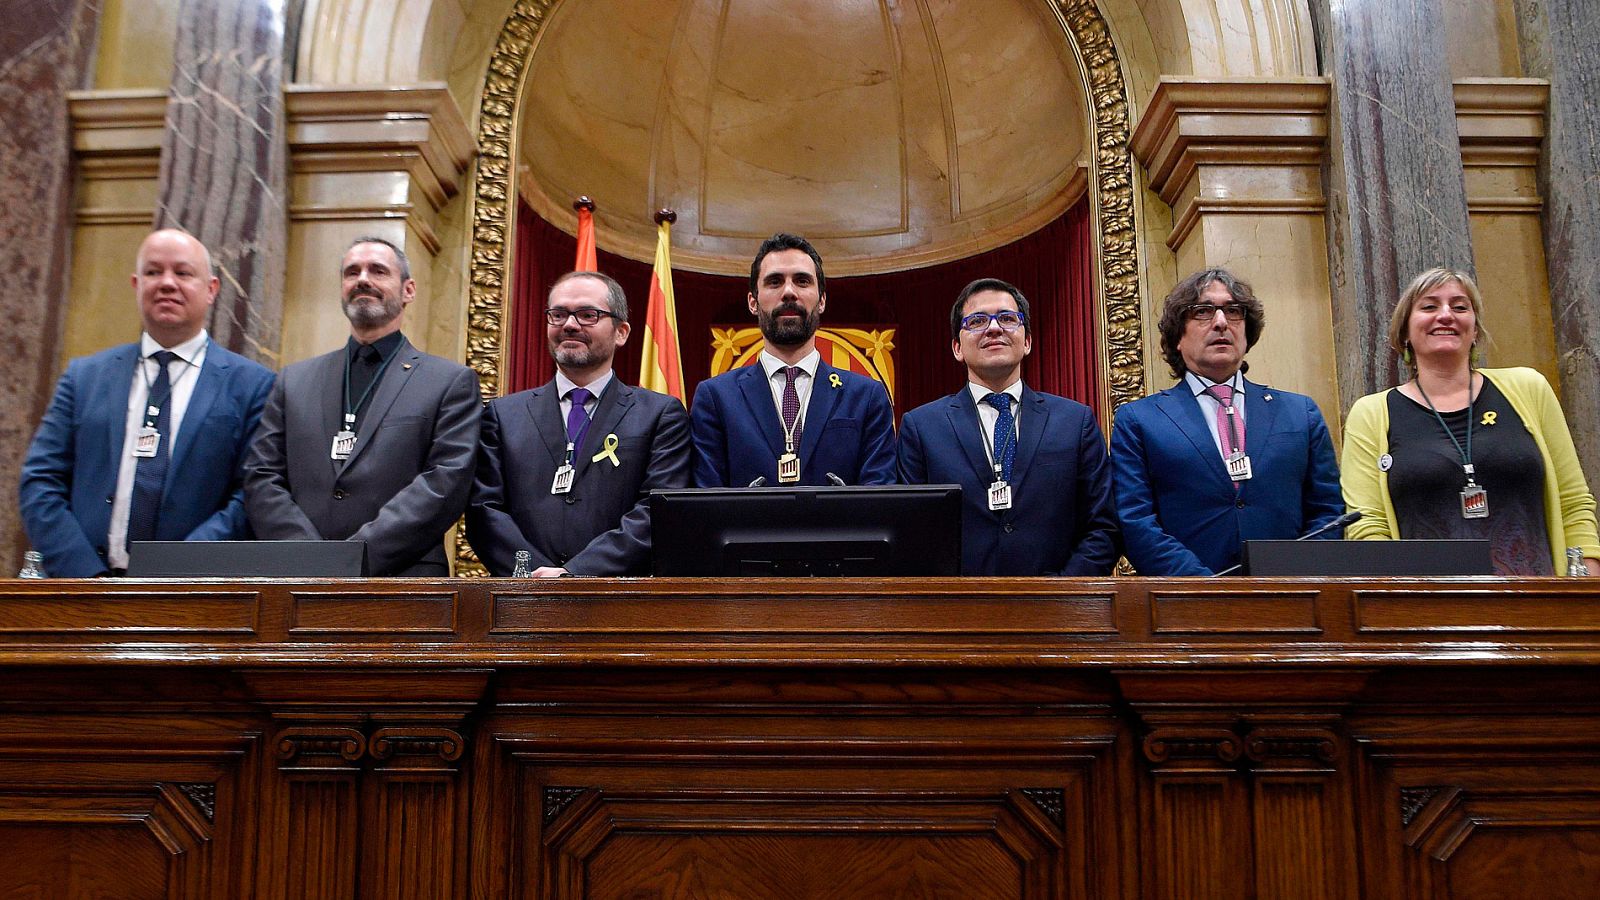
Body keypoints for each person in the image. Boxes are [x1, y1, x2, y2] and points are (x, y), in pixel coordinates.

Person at [19, 229, 275, 577]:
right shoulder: (84, 378)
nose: (167, 283)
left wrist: (173, 572)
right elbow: (40, 480)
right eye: (154, 272)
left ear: (212, 289)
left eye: (183, 273)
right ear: (136, 284)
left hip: (193, 593)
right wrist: (84, 574)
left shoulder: (252, 385)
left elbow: (252, 495)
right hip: (83, 587)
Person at [243, 237, 481, 576]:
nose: (363, 279)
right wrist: (306, 556)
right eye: (351, 272)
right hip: (294, 578)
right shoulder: (293, 381)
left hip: (402, 582)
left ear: (408, 290)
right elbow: (262, 475)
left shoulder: (449, 381)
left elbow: (445, 483)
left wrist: (354, 558)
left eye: (378, 271)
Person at [1342, 268, 1599, 574]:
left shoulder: (1529, 388)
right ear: (1405, 332)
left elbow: (1573, 501)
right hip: (1427, 609)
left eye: (1460, 306)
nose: (1446, 315)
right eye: (1429, 306)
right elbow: (1367, 525)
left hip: (1538, 605)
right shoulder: (1371, 414)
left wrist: (1583, 585)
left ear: (1475, 329)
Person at [1110, 267, 1344, 575]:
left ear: (1248, 334)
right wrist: (1205, 587)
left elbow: (1328, 512)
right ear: (1178, 336)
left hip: (1292, 603)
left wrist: (1292, 580)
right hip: (1186, 605)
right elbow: (1135, 520)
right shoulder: (1140, 420)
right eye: (1203, 312)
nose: (1221, 322)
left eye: (1234, 311)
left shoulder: (1300, 413)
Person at [466, 271, 691, 576]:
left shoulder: (660, 414)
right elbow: (484, 511)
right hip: (523, 601)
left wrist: (576, 574)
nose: (570, 325)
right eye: (558, 315)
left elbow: (658, 511)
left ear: (621, 332)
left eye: (588, 315)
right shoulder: (503, 415)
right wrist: (536, 574)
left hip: (619, 603)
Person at [897, 278, 1118, 575]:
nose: (993, 328)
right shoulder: (921, 427)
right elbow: (911, 531)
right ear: (956, 348)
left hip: (1059, 609)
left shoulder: (1075, 422)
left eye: (1007, 318)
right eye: (976, 321)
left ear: (1027, 341)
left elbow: (1103, 525)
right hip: (957, 610)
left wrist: (1062, 593)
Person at [690, 233, 896, 487]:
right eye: (775, 282)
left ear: (821, 301)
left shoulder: (866, 397)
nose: (789, 292)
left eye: (802, 281)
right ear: (753, 302)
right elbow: (705, 504)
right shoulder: (715, 398)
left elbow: (880, 502)